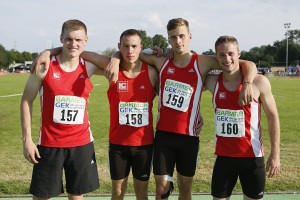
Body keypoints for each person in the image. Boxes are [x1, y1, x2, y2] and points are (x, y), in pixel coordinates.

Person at [107, 18, 257, 200]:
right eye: (173, 37)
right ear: (168, 40)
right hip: (164, 137)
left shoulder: (202, 62)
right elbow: (130, 52)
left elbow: (245, 64)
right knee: (162, 188)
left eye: (181, 36)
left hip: (189, 138)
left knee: (185, 188)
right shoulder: (160, 60)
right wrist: (115, 57)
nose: (178, 41)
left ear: (190, 36)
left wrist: (248, 83)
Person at [31, 29, 162, 200]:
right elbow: (77, 50)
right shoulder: (113, 69)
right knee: (116, 193)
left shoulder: (151, 72)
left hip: (144, 144)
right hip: (118, 145)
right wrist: (49, 51)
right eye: (125, 46)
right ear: (119, 47)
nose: (130, 51)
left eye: (134, 46)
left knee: (142, 193)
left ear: (141, 47)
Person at [20, 19, 105, 200]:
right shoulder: (45, 66)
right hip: (50, 144)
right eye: (68, 39)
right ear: (61, 38)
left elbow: (123, 58)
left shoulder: (88, 66)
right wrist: (27, 140)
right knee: (41, 196)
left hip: (81, 143)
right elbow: (26, 101)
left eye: (78, 40)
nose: (73, 44)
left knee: (76, 196)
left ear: (86, 41)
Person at [204, 36, 280, 200]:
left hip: (252, 158)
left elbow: (273, 117)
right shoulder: (212, 82)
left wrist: (275, 154)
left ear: (239, 54)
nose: (227, 59)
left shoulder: (259, 82)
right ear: (216, 57)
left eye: (231, 53)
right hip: (224, 158)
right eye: (221, 55)